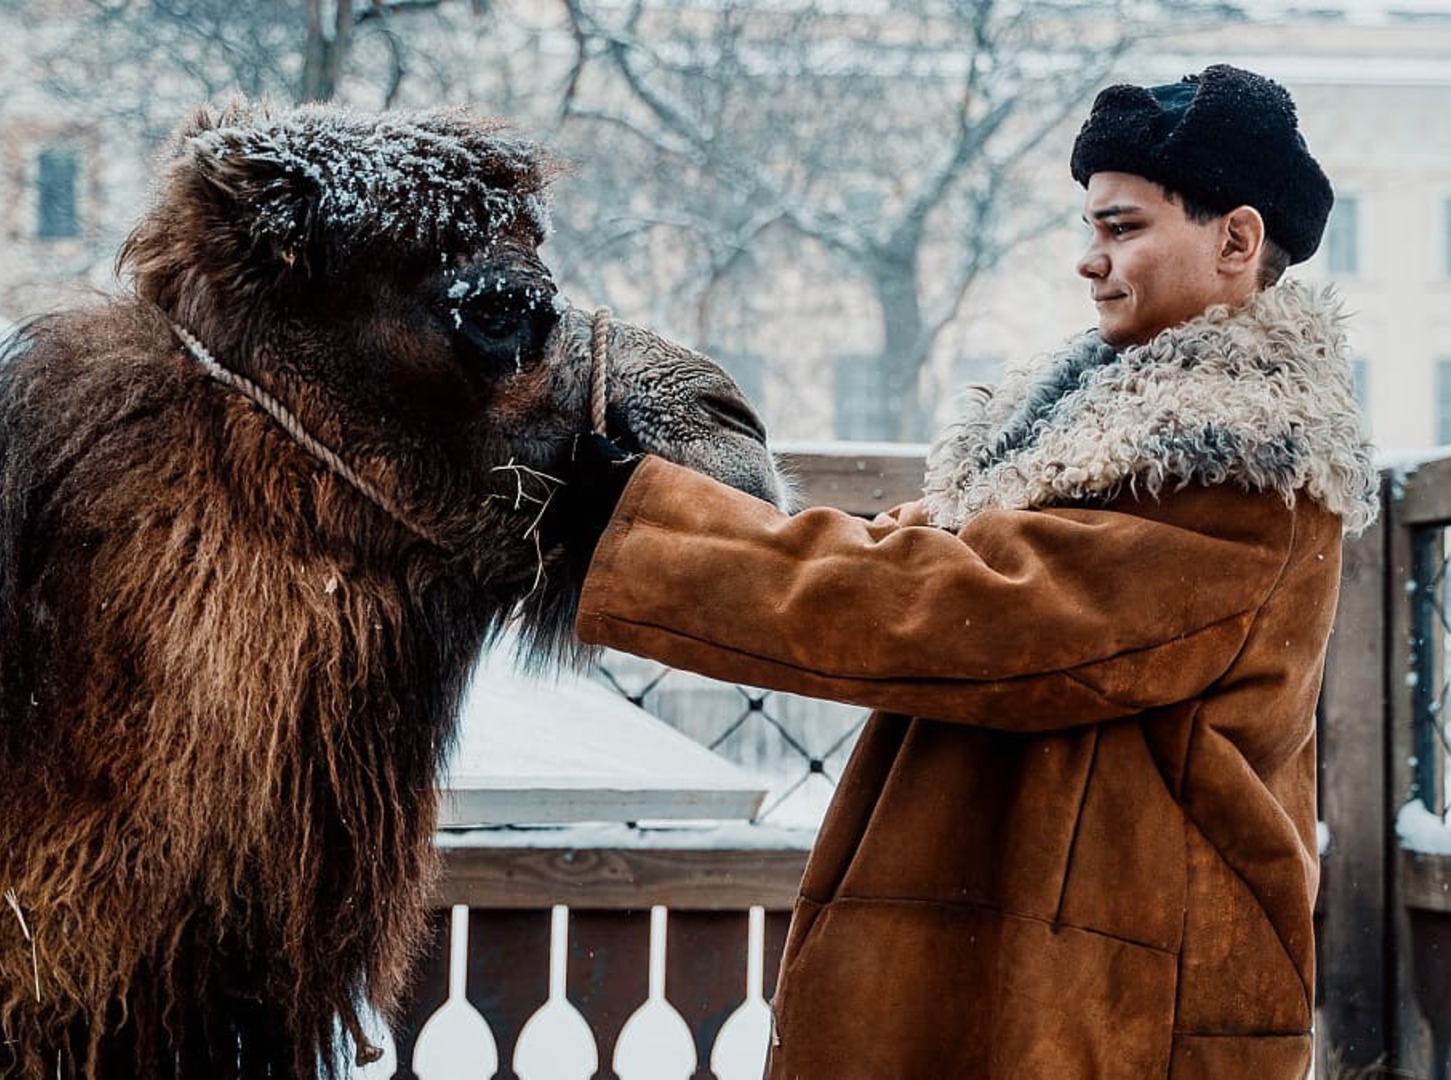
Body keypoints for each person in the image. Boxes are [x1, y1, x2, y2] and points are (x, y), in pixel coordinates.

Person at [555, 63, 1377, 1079]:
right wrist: (674, 518)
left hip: (1117, 1013)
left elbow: (966, 609)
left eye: (1121, 228)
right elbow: (913, 560)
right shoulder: (1086, 435)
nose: (1089, 259)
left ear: (1237, 242)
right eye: (1089, 228)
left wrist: (643, 533)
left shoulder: (1244, 469)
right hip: (1037, 978)